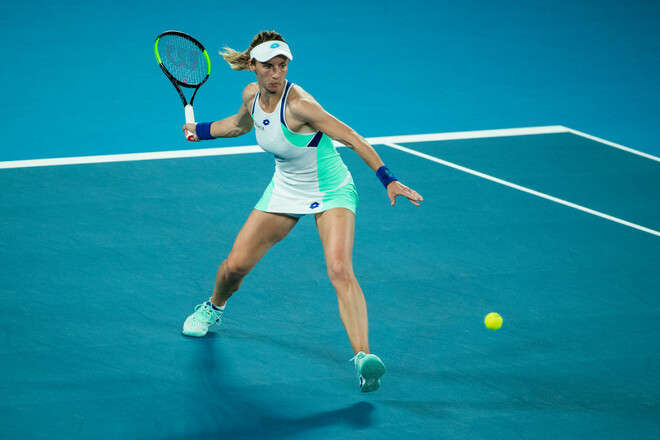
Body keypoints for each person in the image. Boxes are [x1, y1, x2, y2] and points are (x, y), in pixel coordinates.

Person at [180, 30, 423, 393]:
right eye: (269, 66)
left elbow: (352, 137)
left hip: (331, 189)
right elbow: (239, 125)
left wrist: (388, 179)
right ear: (253, 66)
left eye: (283, 66)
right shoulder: (251, 96)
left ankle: (363, 358)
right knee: (235, 266)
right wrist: (200, 131)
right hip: (286, 189)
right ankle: (214, 307)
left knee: (340, 269)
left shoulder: (300, 105)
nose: (276, 73)